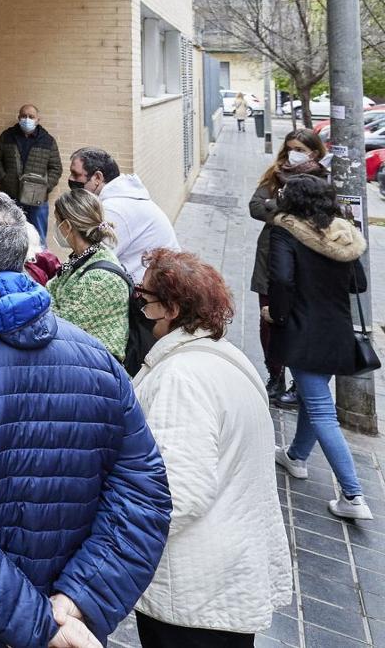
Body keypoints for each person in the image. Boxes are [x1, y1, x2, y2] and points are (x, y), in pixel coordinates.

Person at [0, 186, 171, 648]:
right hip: (67, 619)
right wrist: (75, 602)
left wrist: (41, 623)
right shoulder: (97, 359)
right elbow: (146, 498)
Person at [131, 249, 292, 648]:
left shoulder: (182, 377)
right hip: (225, 580)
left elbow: (175, 494)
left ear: (171, 308)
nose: (140, 309)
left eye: (145, 299)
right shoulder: (227, 358)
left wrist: (112, 553)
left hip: (193, 592)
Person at [268, 175, 373, 521]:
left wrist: (278, 315)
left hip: (303, 329)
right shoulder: (340, 234)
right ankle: (296, 456)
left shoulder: (286, 230)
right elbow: (359, 283)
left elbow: (281, 279)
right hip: (336, 329)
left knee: (322, 412)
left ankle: (353, 494)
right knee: (316, 400)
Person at [249, 128, 327, 408]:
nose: (293, 153)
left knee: (297, 321)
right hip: (270, 257)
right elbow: (255, 207)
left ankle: (299, 382)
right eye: (290, 147)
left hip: (305, 262)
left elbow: (320, 215)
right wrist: (284, 206)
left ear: (314, 152)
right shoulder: (275, 173)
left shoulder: (322, 178)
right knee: (267, 320)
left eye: (300, 149)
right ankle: (275, 375)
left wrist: (278, 211)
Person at [68, 147, 178, 283]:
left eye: (76, 174)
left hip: (154, 288)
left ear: (97, 177)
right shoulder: (122, 199)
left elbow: (93, 260)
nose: (70, 179)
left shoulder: (115, 209)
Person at [46, 189, 130, 362]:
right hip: (81, 358)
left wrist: (49, 298)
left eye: (57, 221)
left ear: (67, 226)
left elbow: (55, 325)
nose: (55, 227)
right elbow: (51, 289)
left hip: (97, 369)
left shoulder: (99, 279)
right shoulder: (84, 256)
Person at [0, 104, 63, 244]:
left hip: (37, 199)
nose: (26, 119)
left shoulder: (47, 140)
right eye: (23, 116)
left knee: (38, 238)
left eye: (31, 116)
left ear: (38, 119)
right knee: (8, 236)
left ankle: (38, 264)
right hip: (10, 196)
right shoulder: (7, 136)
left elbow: (56, 168)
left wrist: (45, 187)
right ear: (18, 117)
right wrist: (3, 179)